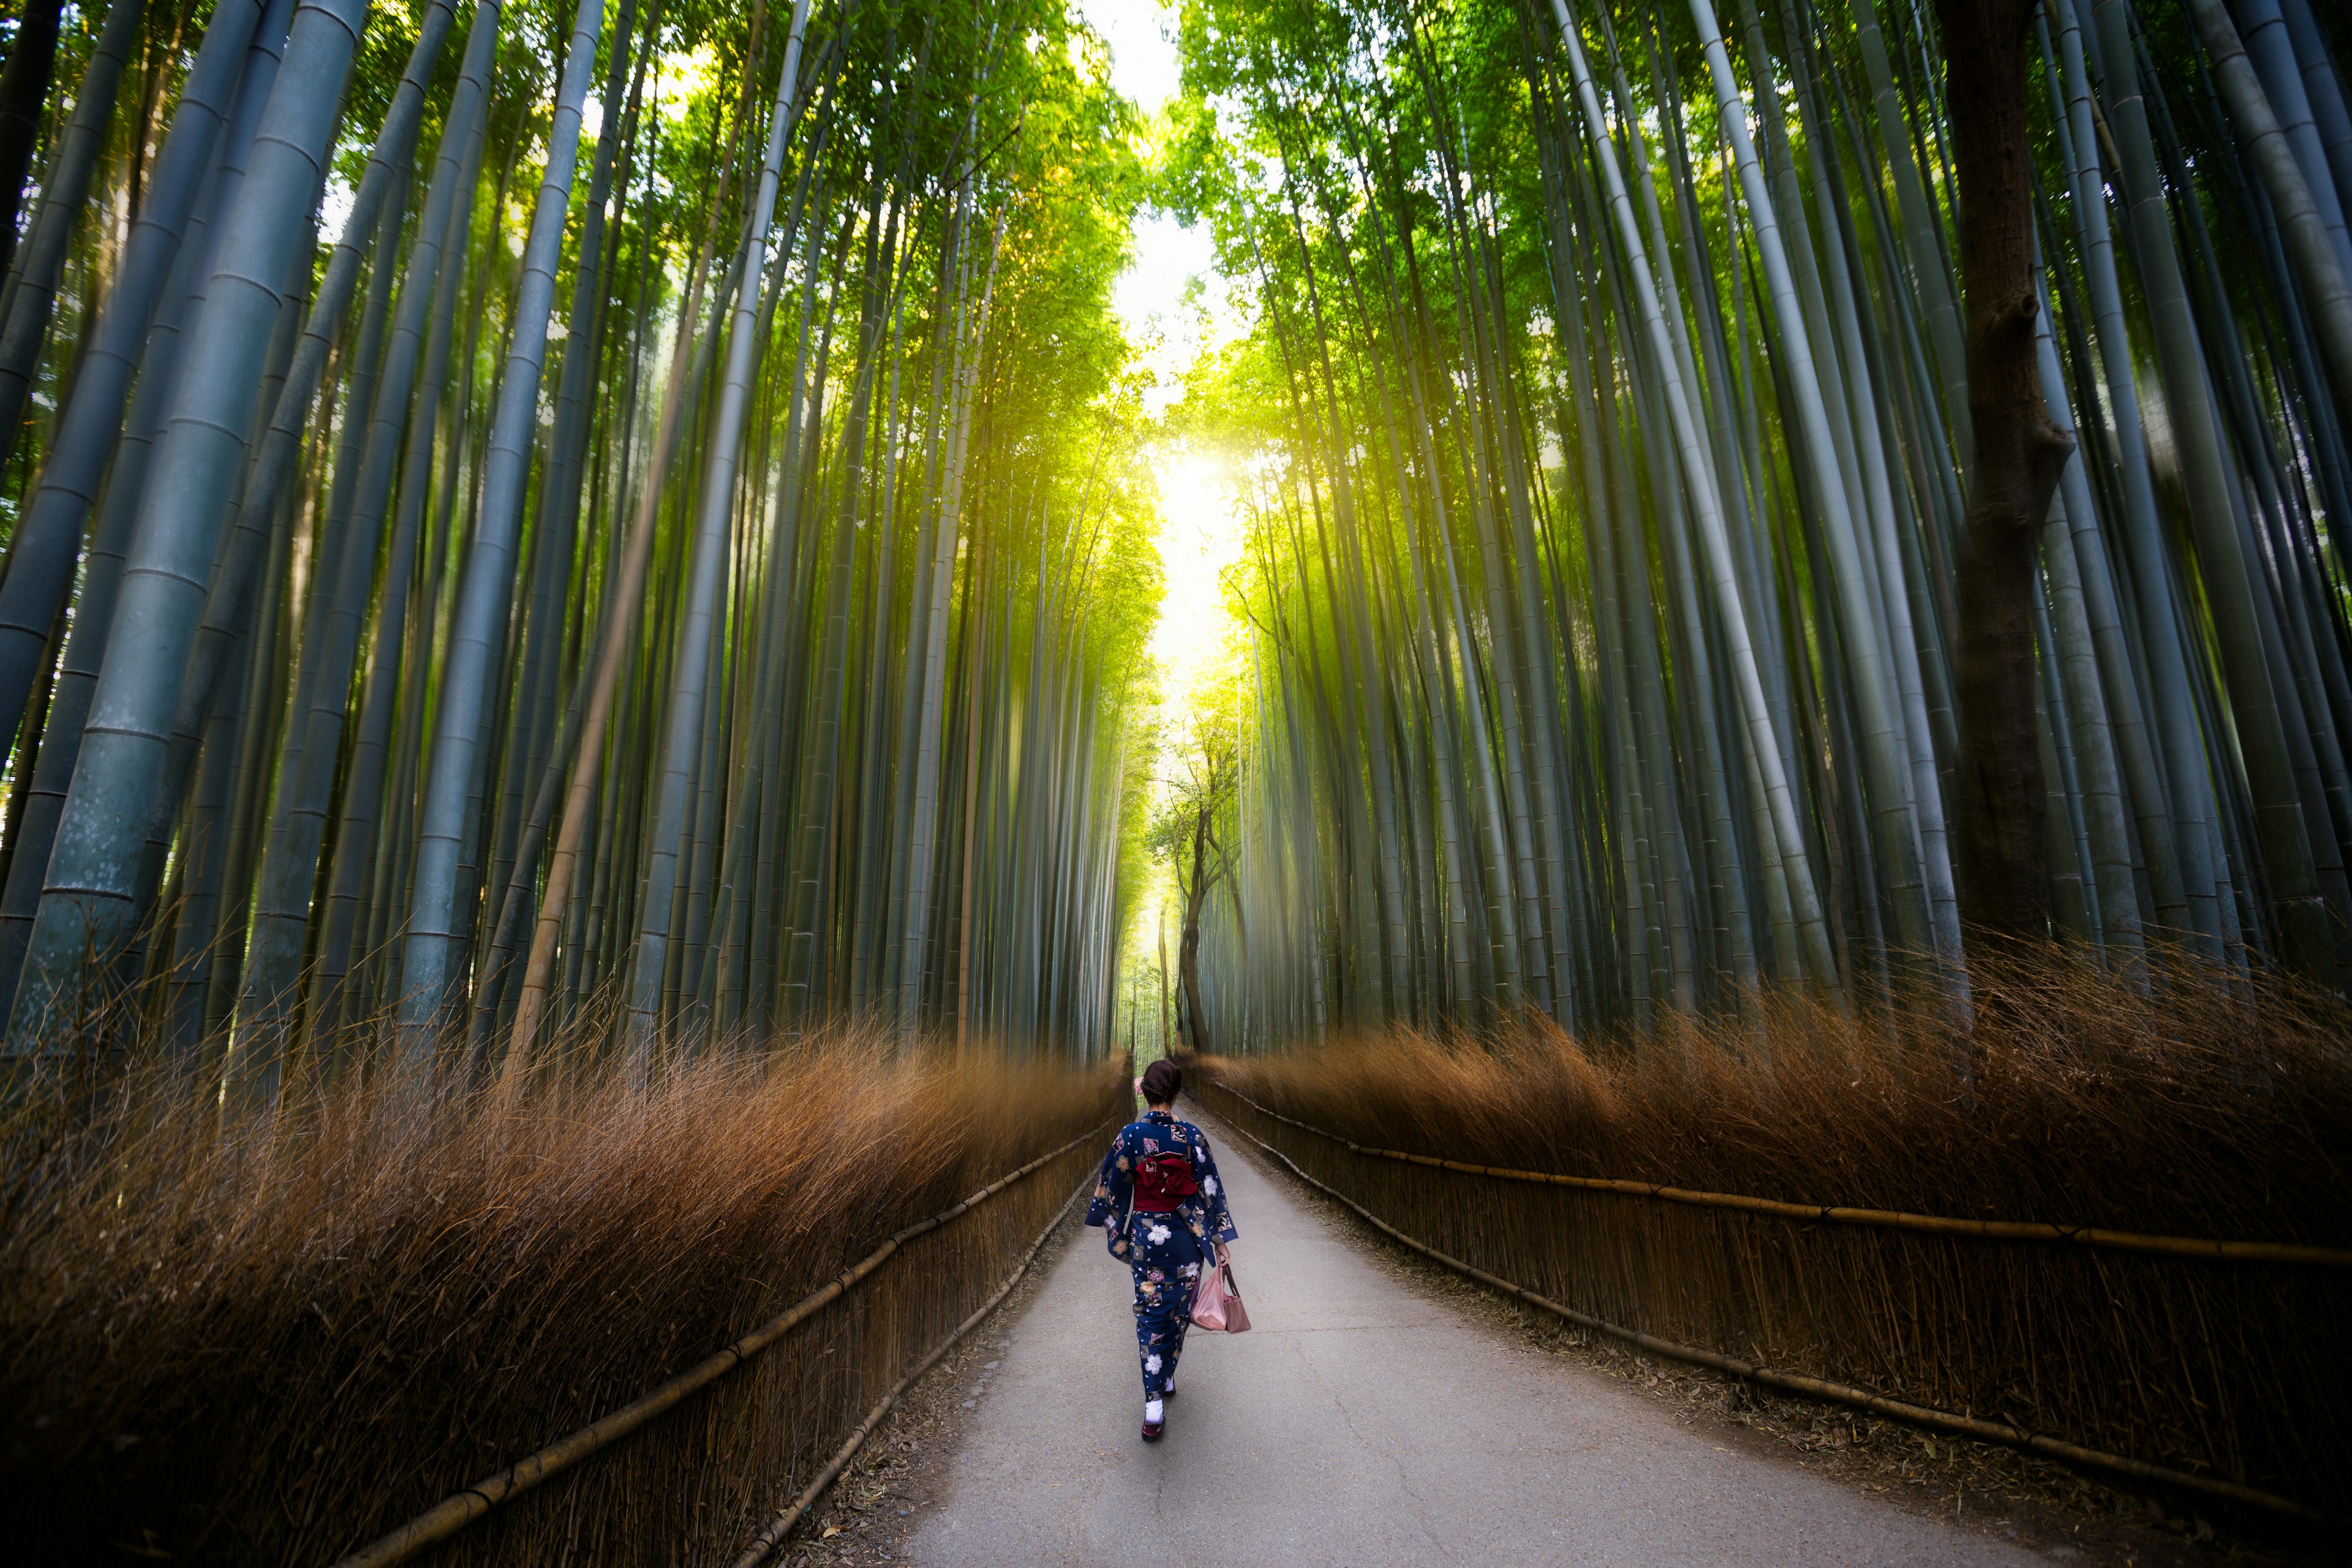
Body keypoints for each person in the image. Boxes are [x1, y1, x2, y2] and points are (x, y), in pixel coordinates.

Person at [1084, 1057, 1238, 1442]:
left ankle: (1153, 1403)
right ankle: (1166, 1375)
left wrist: (1117, 1231)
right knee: (1180, 1312)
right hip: (1186, 1239)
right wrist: (1218, 1241)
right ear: (1175, 1093)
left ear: (1146, 1092)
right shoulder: (1192, 1137)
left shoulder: (1131, 1136)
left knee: (1151, 1313)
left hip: (1147, 1240)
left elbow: (1111, 1188)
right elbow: (1210, 1191)